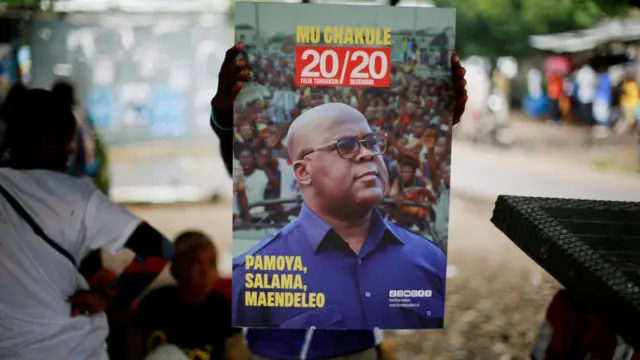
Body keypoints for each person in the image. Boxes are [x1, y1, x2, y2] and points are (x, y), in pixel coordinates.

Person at [211, 42, 467, 360]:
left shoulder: (426, 260)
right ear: (302, 172)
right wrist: (224, 117)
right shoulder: (252, 273)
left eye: (373, 142)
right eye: (345, 145)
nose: (366, 153)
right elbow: (234, 150)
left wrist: (440, 114)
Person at [0, 89, 174, 359]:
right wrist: (111, 297)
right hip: (77, 349)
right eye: (65, 139)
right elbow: (159, 249)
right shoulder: (78, 197)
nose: (70, 149)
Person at [131, 230, 247, 360]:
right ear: (176, 269)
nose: (205, 272)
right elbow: (130, 352)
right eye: (195, 264)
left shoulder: (225, 310)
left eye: (211, 264)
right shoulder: (154, 304)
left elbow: (236, 355)